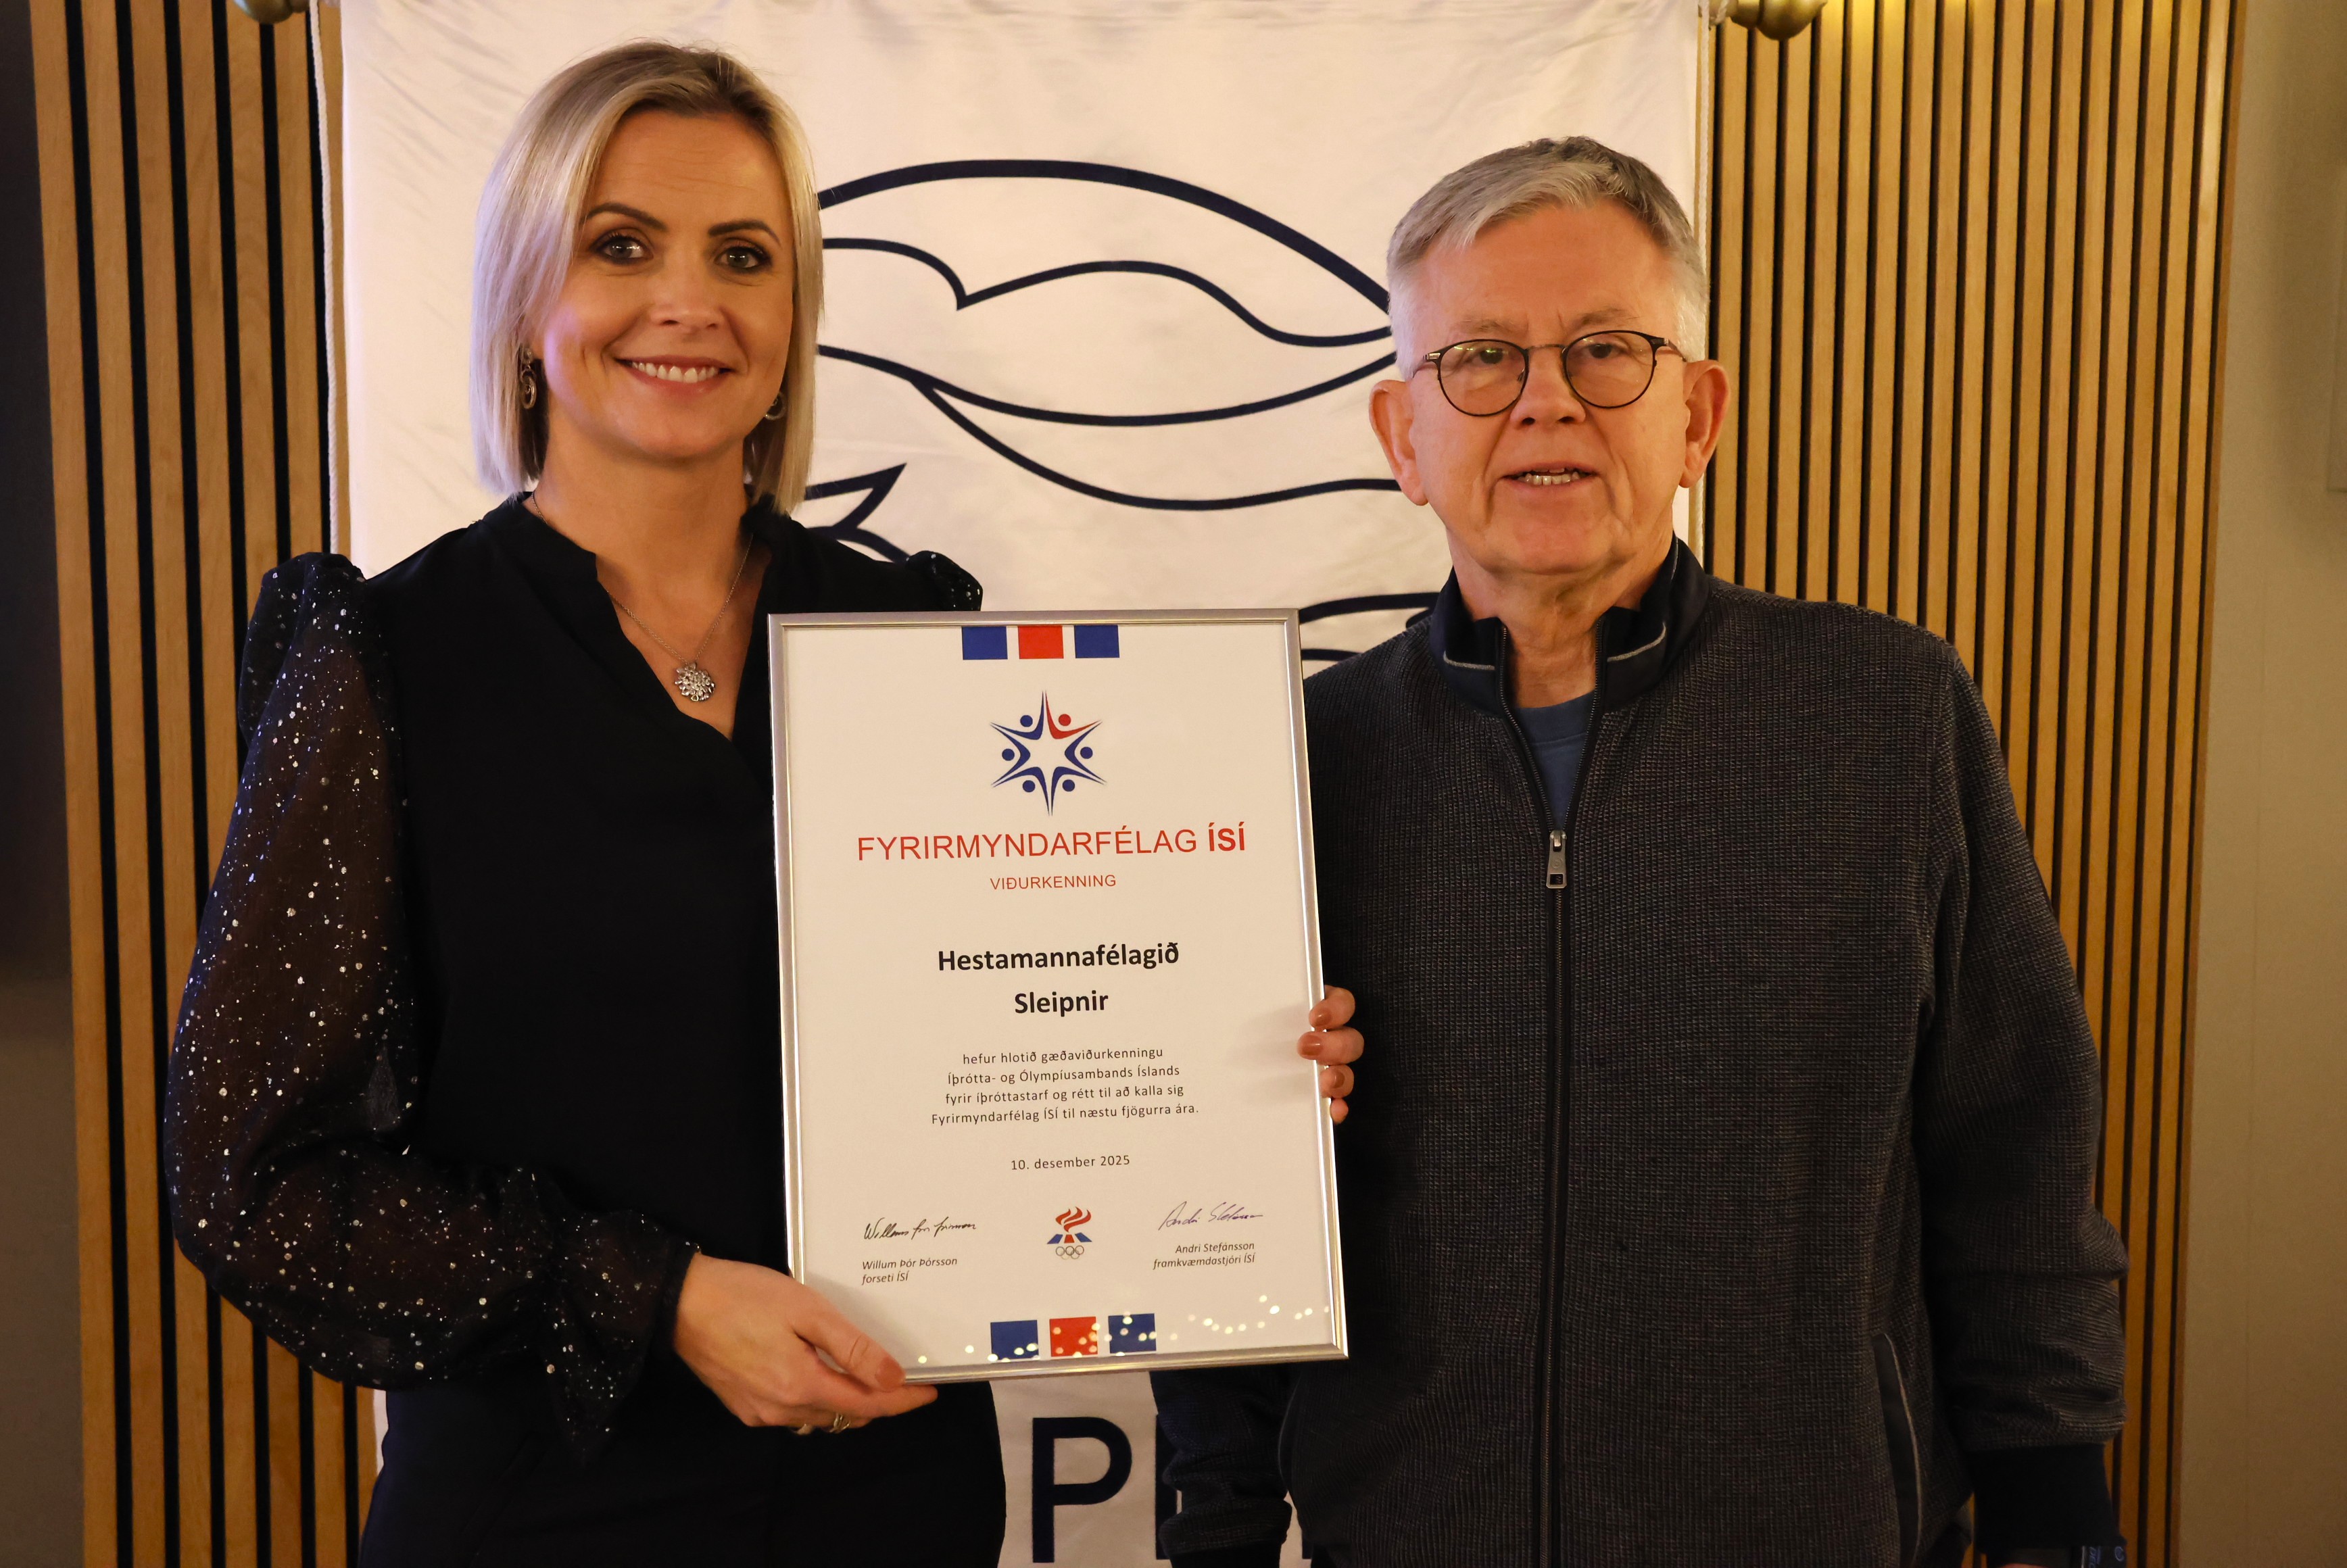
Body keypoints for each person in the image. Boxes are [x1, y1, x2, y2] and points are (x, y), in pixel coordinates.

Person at [163, 43, 1362, 1567]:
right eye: (620, 246)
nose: (688, 301)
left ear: (795, 319)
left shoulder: (917, 641)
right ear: (526, 298)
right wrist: (655, 1296)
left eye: (744, 256)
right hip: (544, 1509)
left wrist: (1229, 1067)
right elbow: (254, 1181)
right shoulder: (387, 657)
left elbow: (1026, 999)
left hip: (897, 1495)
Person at [1151, 138, 2129, 1568]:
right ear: (1402, 437)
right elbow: (1205, 1175)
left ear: (1697, 416)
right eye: (1480, 358)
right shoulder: (1291, 766)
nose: (1544, 399)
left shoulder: (1883, 715)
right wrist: (1216, 1515)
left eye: (1605, 350)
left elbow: (2017, 1138)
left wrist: (2056, 1509)